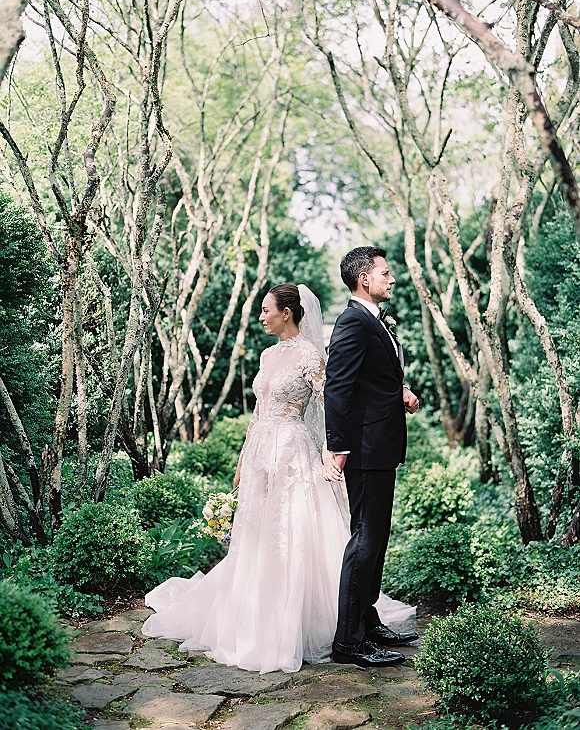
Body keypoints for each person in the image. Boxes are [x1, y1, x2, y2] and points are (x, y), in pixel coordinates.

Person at [142, 283, 413, 674]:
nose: (261, 316)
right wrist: (242, 457)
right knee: (259, 534)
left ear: (287, 312)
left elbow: (331, 405)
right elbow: (258, 410)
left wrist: (332, 452)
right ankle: (256, 610)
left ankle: (312, 621)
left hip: (294, 451)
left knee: (295, 531)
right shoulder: (268, 355)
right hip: (260, 454)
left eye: (266, 309)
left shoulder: (311, 356)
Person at [324, 246, 420, 668]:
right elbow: (337, 387)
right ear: (365, 279)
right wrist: (338, 448)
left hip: (380, 445)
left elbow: (370, 378)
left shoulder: (373, 322)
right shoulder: (352, 322)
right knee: (364, 541)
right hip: (363, 450)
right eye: (384, 273)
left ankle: (367, 619)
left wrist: (398, 391)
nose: (391, 278)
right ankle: (348, 643)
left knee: (376, 538)